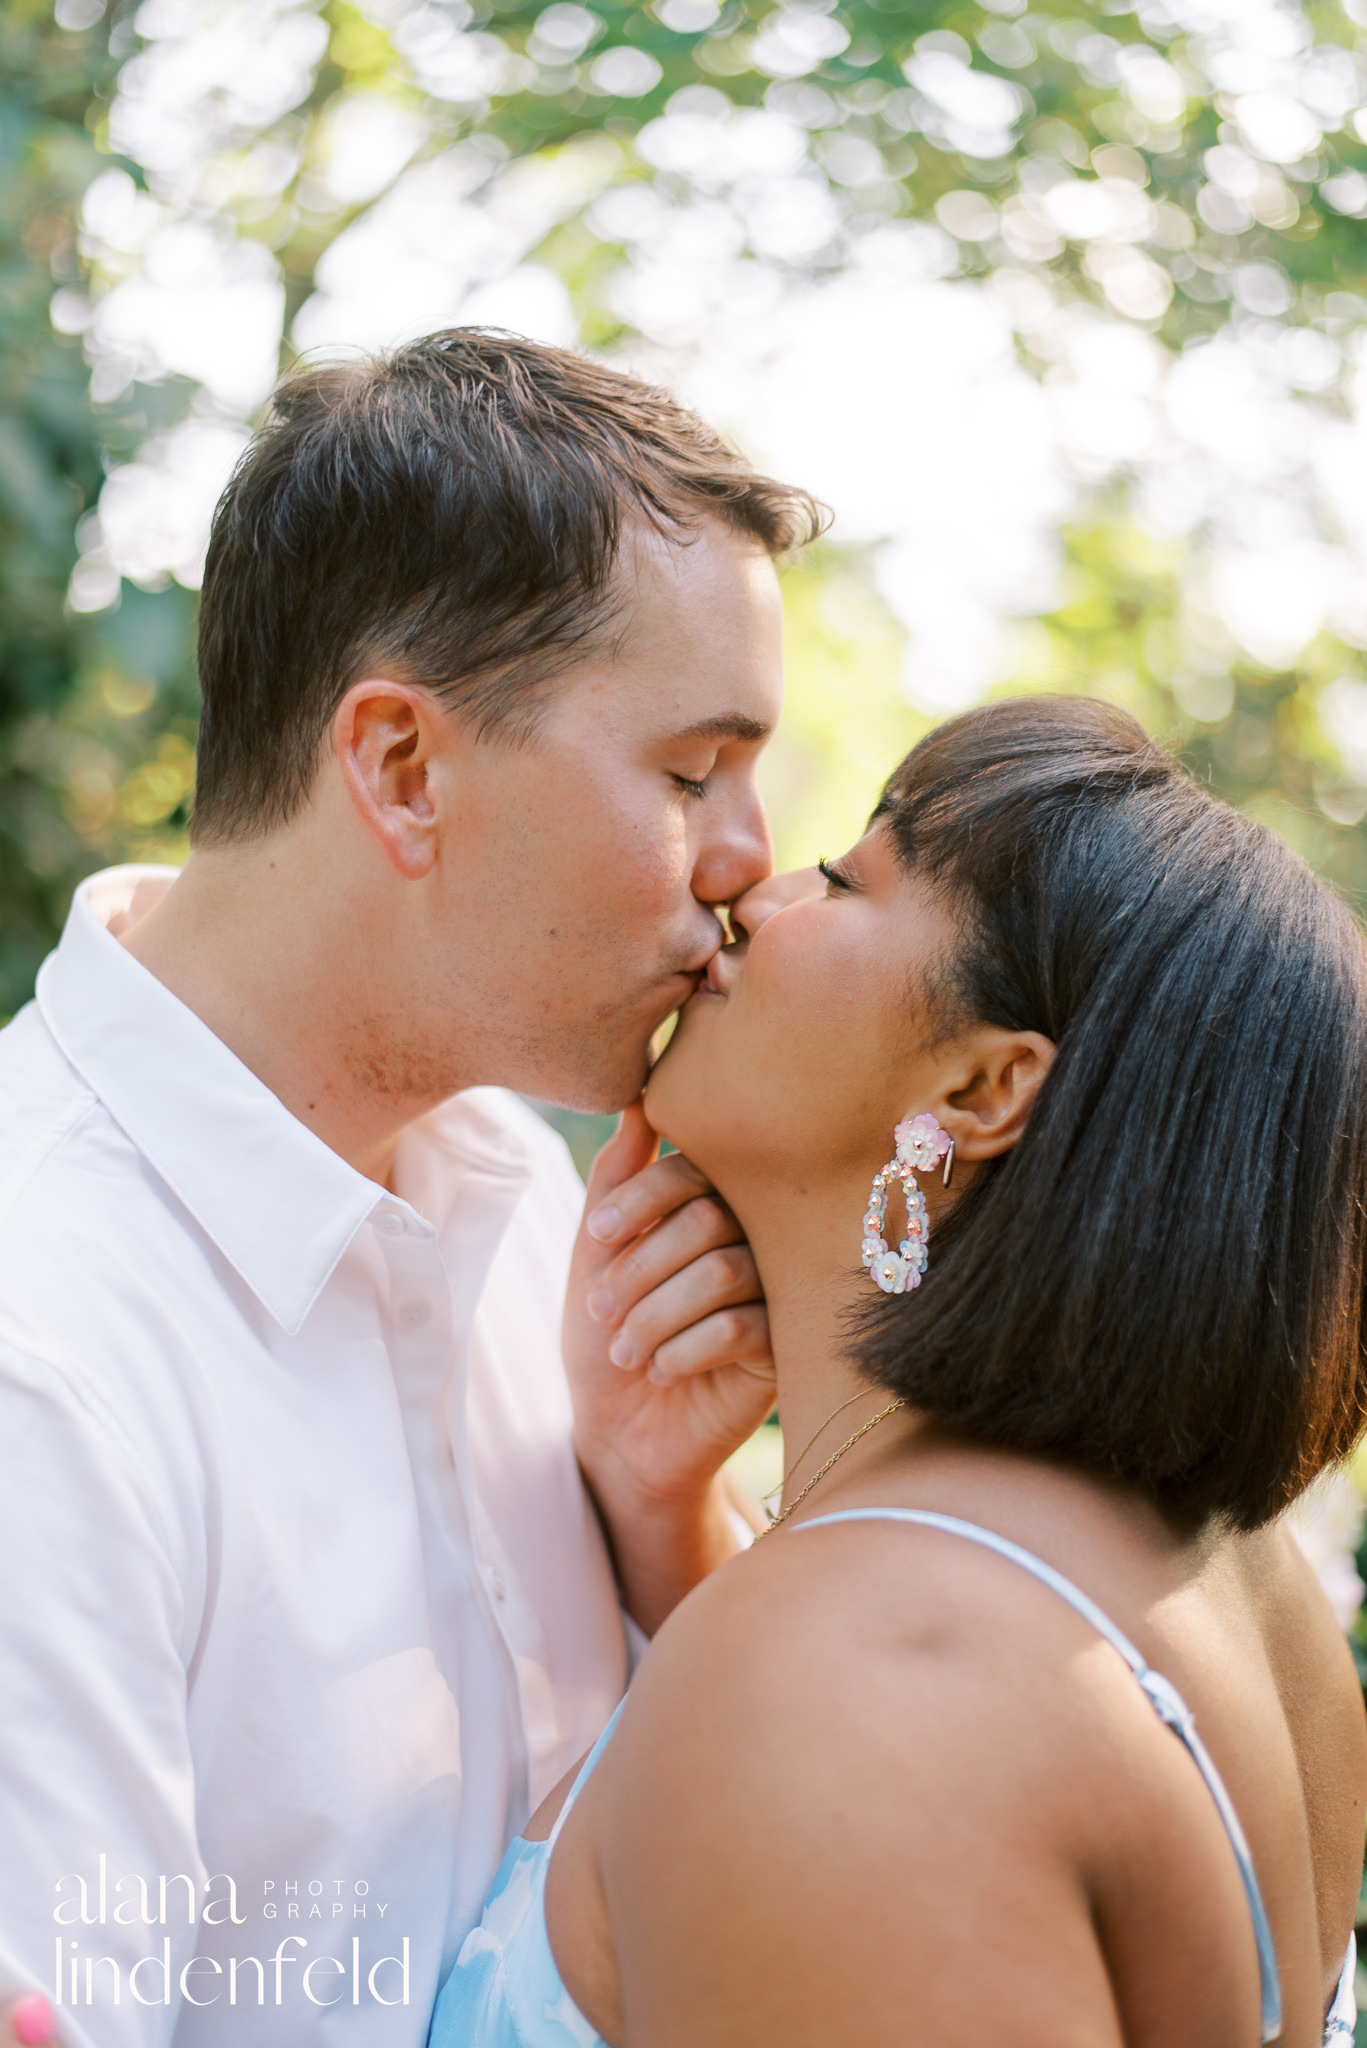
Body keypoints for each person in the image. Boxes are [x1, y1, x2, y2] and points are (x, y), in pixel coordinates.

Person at [0, 330, 822, 2046]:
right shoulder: (41, 1358)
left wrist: (659, 1522)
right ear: (398, 768)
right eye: (691, 773)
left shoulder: (524, 1194)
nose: (750, 860)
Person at [432, 696, 1367, 2048]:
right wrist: (665, 1514)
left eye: (855, 875)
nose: (758, 889)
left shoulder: (853, 1694)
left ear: (984, 1091)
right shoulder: (1242, 1586)